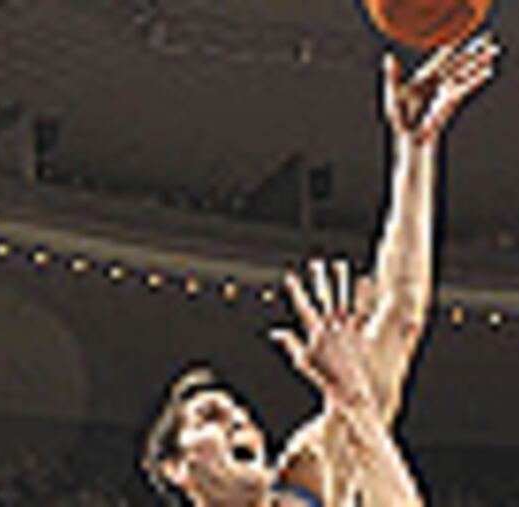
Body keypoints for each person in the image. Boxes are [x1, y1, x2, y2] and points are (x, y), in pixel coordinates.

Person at [143, 33, 499, 507]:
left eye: (236, 414)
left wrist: (414, 153)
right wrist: (354, 403)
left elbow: (400, 316)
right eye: (209, 417)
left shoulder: (306, 471)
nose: (239, 421)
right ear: (175, 468)